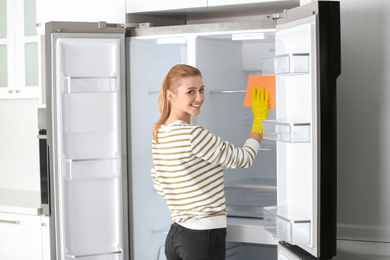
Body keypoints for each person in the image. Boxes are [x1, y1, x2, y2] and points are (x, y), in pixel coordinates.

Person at [151, 64, 269, 260]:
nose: (199, 97)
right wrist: (259, 121)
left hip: (176, 236)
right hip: (202, 237)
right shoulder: (194, 135)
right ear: (171, 96)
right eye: (191, 92)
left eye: (201, 89)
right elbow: (243, 159)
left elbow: (161, 186)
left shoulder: (159, 133)